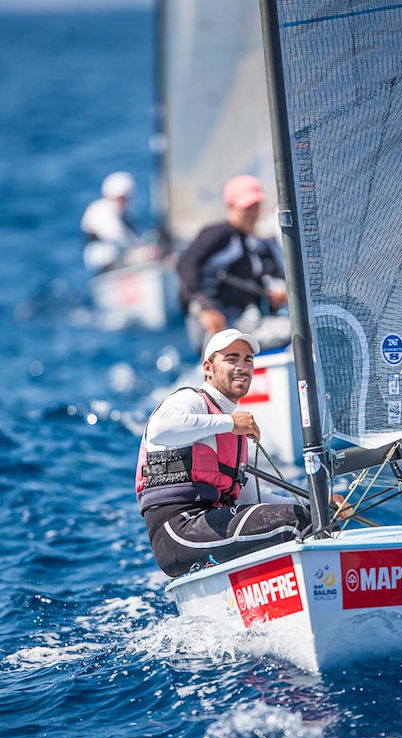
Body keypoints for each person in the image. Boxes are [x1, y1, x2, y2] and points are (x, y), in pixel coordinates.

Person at [135, 329, 348, 577]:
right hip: (177, 531)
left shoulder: (234, 434)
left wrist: (320, 505)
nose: (242, 366)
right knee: (296, 523)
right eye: (231, 358)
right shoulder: (191, 401)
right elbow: (160, 429)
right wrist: (230, 423)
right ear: (208, 368)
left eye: (248, 359)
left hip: (211, 523)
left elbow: (251, 498)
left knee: (316, 518)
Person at [177, 174, 288, 354]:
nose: (253, 213)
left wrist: (273, 296)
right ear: (230, 207)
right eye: (247, 207)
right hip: (215, 327)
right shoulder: (220, 234)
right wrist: (206, 308)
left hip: (239, 321)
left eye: (256, 206)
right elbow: (186, 264)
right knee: (295, 331)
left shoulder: (253, 244)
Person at [81, 172, 159, 273]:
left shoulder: (122, 215)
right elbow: (116, 235)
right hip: (106, 262)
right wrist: (143, 252)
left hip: (118, 259)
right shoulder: (101, 210)